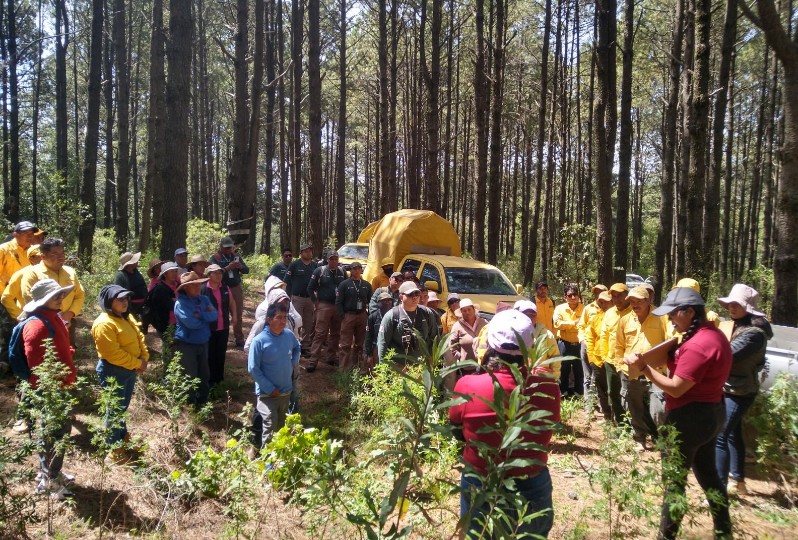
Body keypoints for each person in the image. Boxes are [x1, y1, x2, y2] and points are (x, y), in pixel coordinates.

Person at [625, 287, 732, 540]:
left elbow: (676, 388)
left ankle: (667, 536)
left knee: (674, 483)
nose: (670, 320)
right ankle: (723, 532)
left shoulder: (697, 345)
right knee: (710, 478)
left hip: (688, 419)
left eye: (674, 314)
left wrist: (645, 369)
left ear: (690, 312)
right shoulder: (715, 335)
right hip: (711, 415)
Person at [450, 309, 560, 539]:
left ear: (488, 342)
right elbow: (548, 429)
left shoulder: (467, 384)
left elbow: (457, 431)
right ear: (530, 346)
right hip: (531, 482)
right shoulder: (547, 385)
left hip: (481, 481)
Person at [19, 279, 76, 500]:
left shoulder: (54, 318)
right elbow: (36, 363)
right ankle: (49, 479)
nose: (61, 298)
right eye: (56, 296)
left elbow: (60, 346)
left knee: (61, 431)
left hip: (60, 385)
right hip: (49, 389)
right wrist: (54, 384)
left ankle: (53, 472)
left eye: (61, 294)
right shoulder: (37, 325)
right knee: (52, 432)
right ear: (44, 300)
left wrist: (68, 352)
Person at [716, 283, 772, 496]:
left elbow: (727, 355)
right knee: (733, 434)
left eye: (736, 304)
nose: (731, 307)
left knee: (721, 434)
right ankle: (738, 481)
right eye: (729, 303)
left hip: (740, 391)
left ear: (747, 306)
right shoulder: (739, 325)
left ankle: (717, 491)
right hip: (732, 387)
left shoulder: (753, 333)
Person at [91, 285, 149, 464]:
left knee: (121, 408)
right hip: (113, 370)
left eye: (126, 299)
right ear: (109, 302)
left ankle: (123, 438)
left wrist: (144, 357)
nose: (124, 302)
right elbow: (113, 354)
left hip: (128, 369)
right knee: (115, 410)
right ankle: (113, 449)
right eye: (120, 299)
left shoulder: (125, 316)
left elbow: (139, 337)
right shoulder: (104, 323)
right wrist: (138, 363)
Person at [615, 285, 669, 450]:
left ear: (648, 300)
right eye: (632, 301)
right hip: (632, 372)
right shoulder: (624, 320)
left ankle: (664, 440)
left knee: (659, 409)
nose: (635, 304)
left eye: (639, 301)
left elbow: (669, 342)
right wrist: (620, 365)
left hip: (656, 371)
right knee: (634, 407)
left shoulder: (662, 318)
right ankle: (639, 439)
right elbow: (618, 347)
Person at [248, 303, 301, 447]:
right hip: (267, 395)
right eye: (279, 317)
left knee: (281, 427)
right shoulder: (259, 341)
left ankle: (278, 461)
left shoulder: (289, 335)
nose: (283, 321)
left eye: (285, 317)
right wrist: (270, 388)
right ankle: (268, 464)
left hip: (285, 392)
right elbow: (253, 368)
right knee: (270, 426)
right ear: (269, 319)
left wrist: (293, 362)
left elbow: (297, 347)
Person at [20, 238, 85, 345]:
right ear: (43, 256)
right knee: (44, 355)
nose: (61, 257)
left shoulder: (70, 272)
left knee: (67, 353)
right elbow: (29, 298)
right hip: (42, 322)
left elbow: (79, 295)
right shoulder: (32, 273)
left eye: (62, 253)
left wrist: (69, 314)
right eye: (55, 254)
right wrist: (56, 318)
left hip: (68, 321)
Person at [173, 271, 218, 406]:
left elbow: (215, 315)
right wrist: (205, 318)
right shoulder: (180, 304)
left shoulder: (204, 299)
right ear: (185, 287)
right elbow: (191, 323)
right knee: (190, 374)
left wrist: (201, 315)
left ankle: (203, 401)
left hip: (203, 342)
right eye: (194, 286)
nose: (198, 287)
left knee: (204, 373)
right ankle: (190, 403)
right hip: (187, 344)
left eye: (198, 284)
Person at [377, 281, 440, 363]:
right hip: (398, 368)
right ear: (401, 297)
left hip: (422, 366)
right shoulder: (391, 316)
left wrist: (433, 362)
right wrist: (383, 369)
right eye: (410, 294)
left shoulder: (427, 313)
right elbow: (382, 343)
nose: (414, 297)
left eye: (417, 294)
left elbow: (435, 338)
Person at [306, 250, 347, 372]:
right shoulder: (320, 271)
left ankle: (331, 357)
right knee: (320, 333)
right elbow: (310, 288)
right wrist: (316, 302)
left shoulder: (342, 272)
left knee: (336, 333)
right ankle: (313, 361)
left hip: (338, 306)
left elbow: (345, 287)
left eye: (336, 259)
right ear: (327, 260)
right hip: (324, 305)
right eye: (331, 259)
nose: (334, 261)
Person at [599, 283, 632, 424]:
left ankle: (636, 427)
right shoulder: (609, 313)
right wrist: (605, 356)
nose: (617, 299)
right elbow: (604, 336)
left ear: (627, 296)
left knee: (630, 395)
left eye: (620, 296)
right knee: (613, 393)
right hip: (611, 360)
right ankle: (620, 425)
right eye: (614, 296)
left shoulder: (634, 312)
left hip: (628, 362)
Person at [201, 264, 238, 387]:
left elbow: (232, 302)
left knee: (221, 353)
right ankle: (210, 380)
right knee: (210, 354)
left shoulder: (225, 288)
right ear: (209, 275)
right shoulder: (203, 289)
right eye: (215, 273)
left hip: (224, 326)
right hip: (209, 328)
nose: (218, 275)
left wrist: (235, 316)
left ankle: (219, 379)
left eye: (220, 273)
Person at [209, 236, 249, 347]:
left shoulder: (236, 256)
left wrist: (240, 266)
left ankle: (239, 338)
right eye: (226, 248)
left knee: (238, 313)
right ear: (221, 247)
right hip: (221, 288)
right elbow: (211, 272)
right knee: (222, 313)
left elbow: (247, 270)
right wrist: (227, 268)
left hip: (235, 287)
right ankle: (222, 338)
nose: (228, 250)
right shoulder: (215, 258)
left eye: (230, 247)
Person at [583, 290, 613, 419]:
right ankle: (607, 415)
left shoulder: (619, 317)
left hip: (613, 360)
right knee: (601, 390)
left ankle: (617, 417)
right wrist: (591, 358)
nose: (603, 304)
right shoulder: (596, 317)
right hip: (597, 359)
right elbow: (589, 338)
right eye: (601, 302)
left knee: (614, 390)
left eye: (606, 302)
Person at [336, 262, 372, 370]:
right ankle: (343, 368)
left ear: (361, 271)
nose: (356, 271)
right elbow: (338, 302)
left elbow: (371, 301)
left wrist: (368, 315)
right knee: (345, 344)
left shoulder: (366, 285)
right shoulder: (344, 284)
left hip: (362, 315)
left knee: (360, 344)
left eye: (358, 269)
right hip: (348, 315)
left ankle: (356, 367)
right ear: (350, 271)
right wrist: (343, 316)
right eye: (354, 269)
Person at [577, 284, 608, 406]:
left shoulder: (611, 309)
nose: (599, 295)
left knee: (600, 377)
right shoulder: (588, 308)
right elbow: (581, 325)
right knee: (588, 376)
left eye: (601, 292)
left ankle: (603, 403)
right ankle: (589, 404)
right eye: (596, 292)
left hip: (603, 348)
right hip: (587, 345)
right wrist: (582, 339)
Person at [284, 242, 317, 355]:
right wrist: (287, 296)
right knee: (296, 321)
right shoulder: (295, 265)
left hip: (310, 299)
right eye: (306, 251)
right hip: (297, 298)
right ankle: (295, 344)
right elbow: (286, 281)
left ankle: (305, 346)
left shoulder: (314, 266)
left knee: (308, 323)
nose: (308, 253)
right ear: (301, 253)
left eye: (310, 251)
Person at [553, 285, 584, 397]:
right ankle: (563, 392)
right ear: (565, 296)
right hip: (564, 343)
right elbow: (557, 325)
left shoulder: (584, 309)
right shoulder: (559, 309)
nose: (573, 297)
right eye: (570, 295)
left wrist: (567, 325)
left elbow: (584, 325)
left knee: (579, 369)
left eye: (575, 294)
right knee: (563, 369)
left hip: (579, 344)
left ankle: (579, 393)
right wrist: (575, 323)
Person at [0, 220, 40, 291]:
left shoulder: (34, 251)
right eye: (25, 233)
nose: (29, 236)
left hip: (28, 294)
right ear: (15, 234)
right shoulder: (3, 250)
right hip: (7, 295)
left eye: (31, 234)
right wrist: (4, 295)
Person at [449, 298, 488, 364]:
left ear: (474, 309)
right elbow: (452, 345)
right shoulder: (457, 326)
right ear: (461, 312)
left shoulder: (483, 322)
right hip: (466, 365)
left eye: (469, 309)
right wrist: (460, 356)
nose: (467, 312)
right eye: (464, 310)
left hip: (484, 363)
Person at [148, 261, 180, 338]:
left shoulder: (179, 285)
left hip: (179, 323)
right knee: (170, 348)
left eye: (175, 271)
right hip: (167, 325)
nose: (174, 273)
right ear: (165, 274)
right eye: (171, 271)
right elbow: (169, 305)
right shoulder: (160, 289)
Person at [113, 252, 148, 317]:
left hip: (141, 306)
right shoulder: (120, 276)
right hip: (130, 307)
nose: (137, 262)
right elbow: (118, 292)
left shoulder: (136, 272)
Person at [365, 291, 393, 368]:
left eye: (389, 300)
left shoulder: (394, 315)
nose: (387, 302)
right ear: (378, 303)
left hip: (392, 348)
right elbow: (368, 336)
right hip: (376, 347)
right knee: (377, 371)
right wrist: (369, 354)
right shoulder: (373, 317)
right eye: (384, 300)